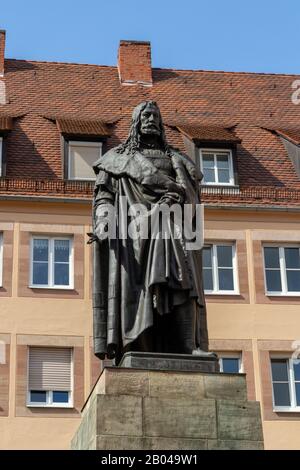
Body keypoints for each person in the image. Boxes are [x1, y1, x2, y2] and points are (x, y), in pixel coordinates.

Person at [90, 101, 209, 364]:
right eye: (145, 115)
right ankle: (136, 347)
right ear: (136, 121)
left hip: (171, 228)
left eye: (155, 115)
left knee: (183, 279)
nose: (151, 119)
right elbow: (104, 196)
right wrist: (102, 222)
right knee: (135, 290)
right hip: (132, 233)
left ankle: (189, 346)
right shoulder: (117, 159)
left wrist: (174, 200)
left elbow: (190, 197)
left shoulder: (177, 159)